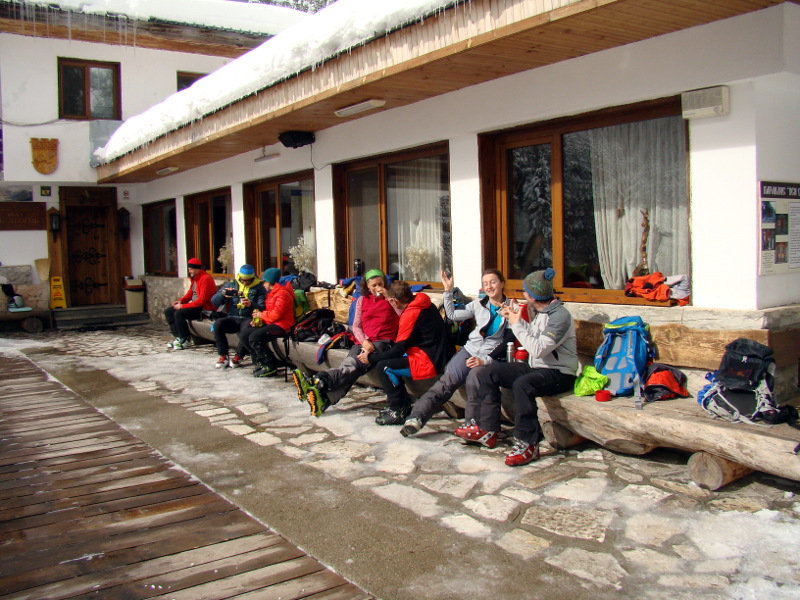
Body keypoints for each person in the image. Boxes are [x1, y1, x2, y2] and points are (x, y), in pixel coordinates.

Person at [462, 268, 578, 466]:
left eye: (525, 290)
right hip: (537, 367)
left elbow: (538, 349)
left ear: (531, 295)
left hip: (559, 373)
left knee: (523, 385)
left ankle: (528, 443)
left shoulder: (560, 316)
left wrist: (516, 323)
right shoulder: (540, 311)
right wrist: (514, 318)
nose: (523, 294)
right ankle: (488, 429)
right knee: (487, 372)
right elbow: (532, 339)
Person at [400, 268, 513, 441]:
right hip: (470, 351)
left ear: (502, 283)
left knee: (475, 379)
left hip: (492, 357)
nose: (489, 286)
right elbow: (452, 315)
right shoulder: (478, 304)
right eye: (485, 283)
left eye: (493, 282)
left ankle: (472, 425)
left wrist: (485, 360)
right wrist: (448, 290)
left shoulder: (513, 307)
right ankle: (416, 417)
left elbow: (509, 338)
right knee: (447, 381)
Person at [293, 269, 401, 417]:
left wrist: (388, 297)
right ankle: (325, 399)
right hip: (363, 341)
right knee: (351, 365)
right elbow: (356, 326)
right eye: (374, 285)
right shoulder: (362, 301)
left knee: (354, 365)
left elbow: (402, 315)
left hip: (384, 341)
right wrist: (363, 341)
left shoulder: (392, 299)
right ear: (368, 287)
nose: (377, 288)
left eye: (380, 284)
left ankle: (321, 379)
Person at [362, 281, 453, 426]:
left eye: (390, 301)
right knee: (389, 359)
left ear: (394, 301)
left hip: (431, 360)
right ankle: (402, 403)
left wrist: (371, 357)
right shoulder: (423, 302)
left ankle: (397, 410)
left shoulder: (411, 314)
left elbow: (399, 349)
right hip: (439, 352)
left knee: (384, 367)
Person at [239, 268, 295, 377]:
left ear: (269, 282)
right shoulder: (272, 293)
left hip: (282, 325)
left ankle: (270, 365)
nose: (263, 284)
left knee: (255, 337)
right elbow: (269, 312)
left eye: (264, 281)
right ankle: (260, 362)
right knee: (245, 334)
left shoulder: (282, 294)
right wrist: (259, 320)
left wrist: (261, 315)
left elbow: (276, 315)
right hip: (272, 323)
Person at [210, 264, 266, 369]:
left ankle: (239, 355)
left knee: (246, 331)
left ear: (252, 278)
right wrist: (223, 295)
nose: (245, 282)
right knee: (218, 325)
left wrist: (251, 305)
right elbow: (214, 302)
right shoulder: (232, 284)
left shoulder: (259, 288)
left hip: (248, 318)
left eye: (248, 280)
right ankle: (223, 355)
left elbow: (262, 307)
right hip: (232, 316)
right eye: (243, 280)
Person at [164, 257, 216, 350]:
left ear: (197, 269)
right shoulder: (194, 279)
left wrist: (182, 306)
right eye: (188, 269)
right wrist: (181, 301)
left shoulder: (205, 279)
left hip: (204, 309)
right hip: (195, 306)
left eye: (191, 269)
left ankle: (185, 339)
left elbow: (201, 301)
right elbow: (190, 294)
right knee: (168, 311)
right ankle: (178, 336)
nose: (189, 271)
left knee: (179, 313)